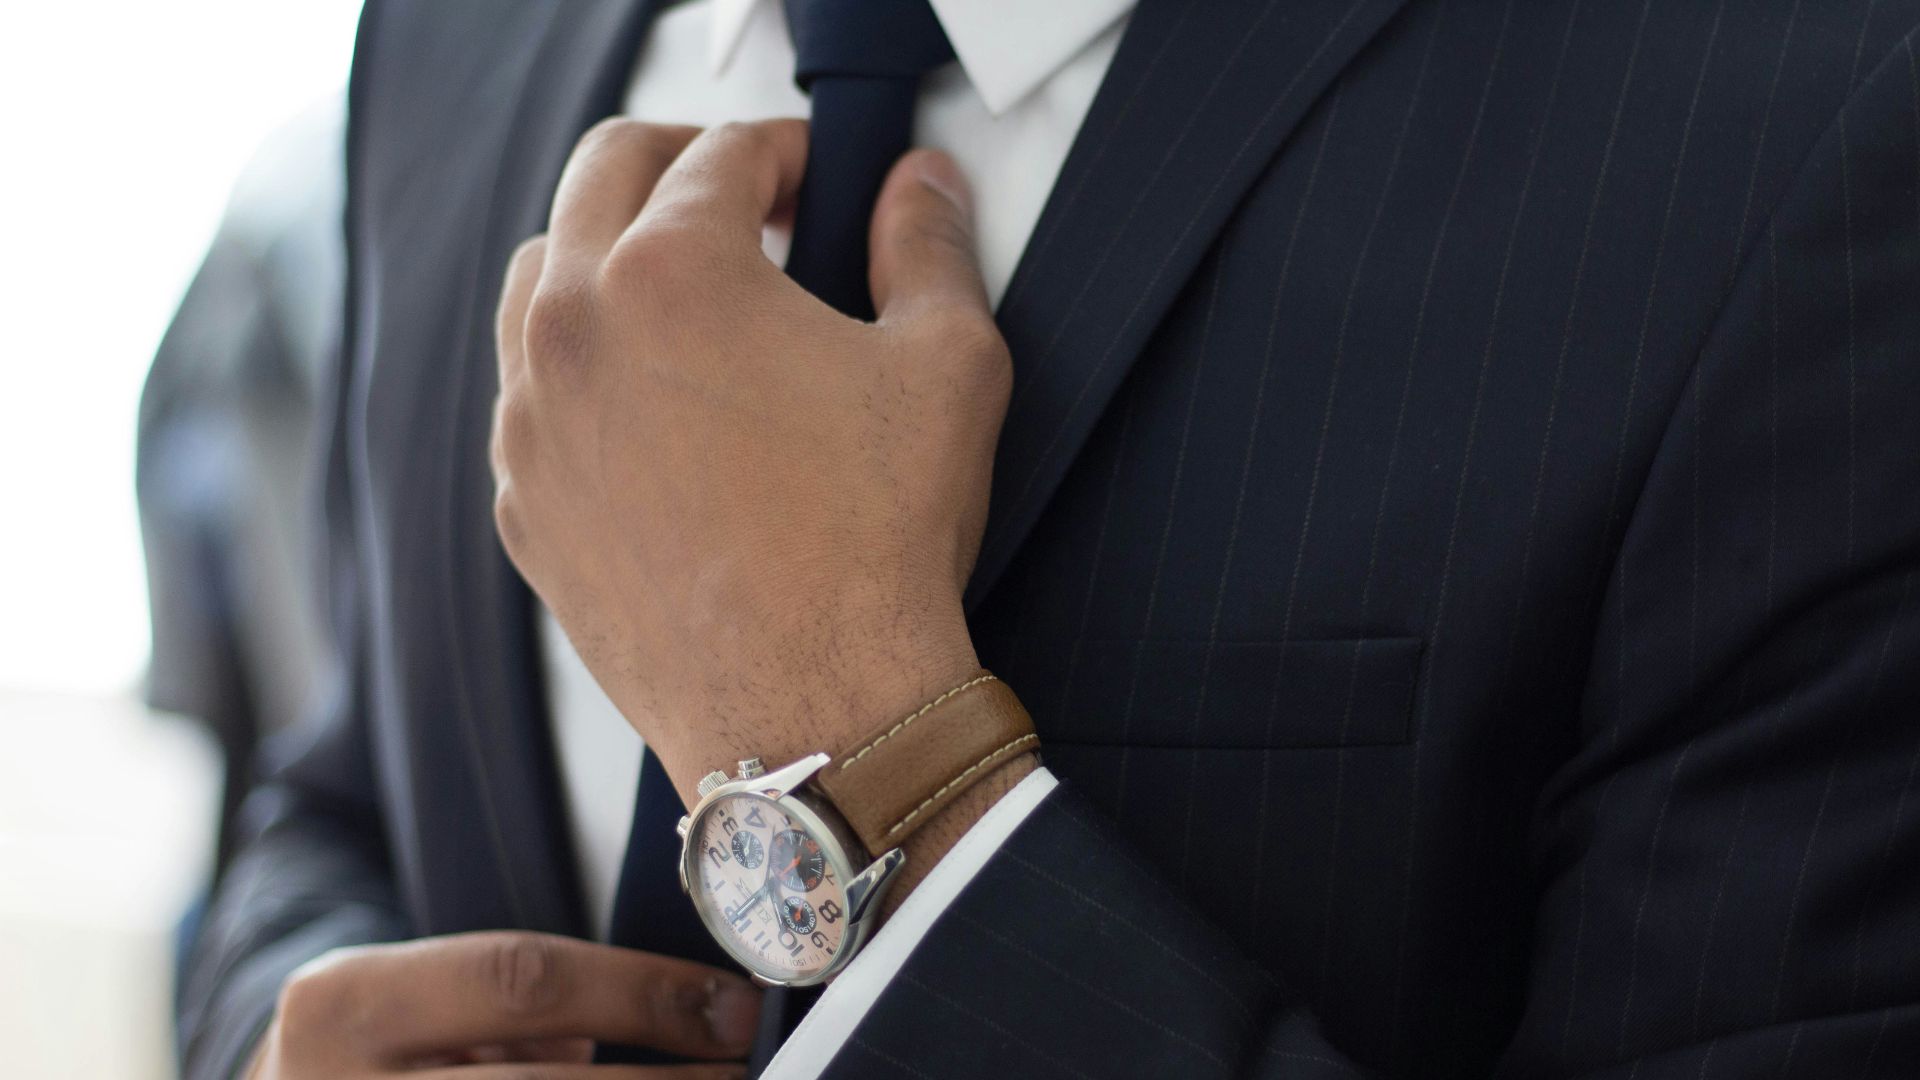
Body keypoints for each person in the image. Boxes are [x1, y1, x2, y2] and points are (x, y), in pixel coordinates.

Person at [179, 1, 1920, 1077]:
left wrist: (857, 754)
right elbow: (337, 789)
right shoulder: (442, 32)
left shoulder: (1809, 125)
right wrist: (275, 1040)